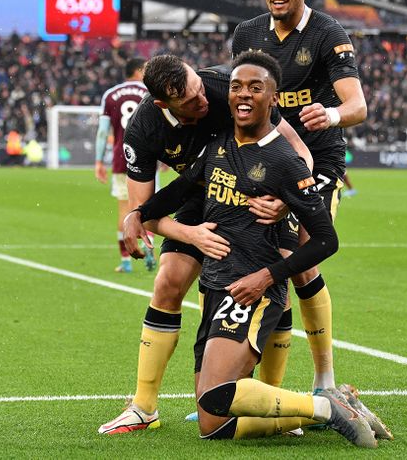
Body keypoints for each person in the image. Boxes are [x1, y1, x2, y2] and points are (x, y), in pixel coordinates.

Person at [130, 51, 384, 447]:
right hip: (217, 285)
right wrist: (138, 214)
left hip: (252, 286)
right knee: (211, 423)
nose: (243, 95)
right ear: (226, 96)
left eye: (255, 88)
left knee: (215, 397)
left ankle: (325, 407)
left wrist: (267, 275)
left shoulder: (283, 160)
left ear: (274, 98)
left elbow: (326, 240)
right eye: (236, 88)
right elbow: (178, 192)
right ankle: (320, 413)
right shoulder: (217, 146)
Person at [97, 55, 312, 435]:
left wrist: (286, 201)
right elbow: (144, 213)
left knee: (277, 278)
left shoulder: (227, 89)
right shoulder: (144, 129)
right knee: (168, 281)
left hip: (261, 197)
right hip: (200, 196)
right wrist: (190, 235)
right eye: (192, 101)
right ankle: (144, 406)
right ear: (165, 104)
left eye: (200, 88)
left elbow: (299, 153)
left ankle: (272, 397)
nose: (204, 101)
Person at [230, 0, 368, 394]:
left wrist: (328, 116)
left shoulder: (328, 33)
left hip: (318, 164)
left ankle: (324, 380)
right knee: (259, 264)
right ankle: (256, 388)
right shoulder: (247, 34)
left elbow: (357, 106)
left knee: (301, 265)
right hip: (262, 164)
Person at [95, 58, 153, 273]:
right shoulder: (149, 92)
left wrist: (99, 161)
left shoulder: (110, 95)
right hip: (147, 158)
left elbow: (102, 132)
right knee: (147, 208)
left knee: (124, 209)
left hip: (122, 158)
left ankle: (126, 260)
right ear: (138, 71)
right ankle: (149, 248)